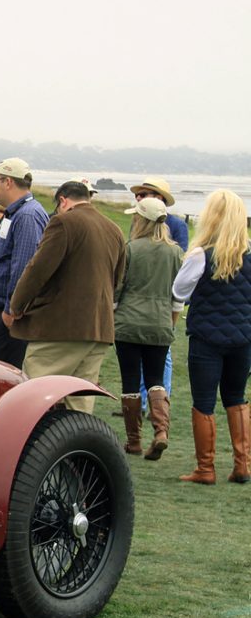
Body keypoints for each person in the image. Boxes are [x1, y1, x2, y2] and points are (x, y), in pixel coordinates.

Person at [7, 180, 126, 414]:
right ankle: (77, 450)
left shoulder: (63, 222)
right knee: (80, 404)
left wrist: (16, 305)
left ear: (63, 200)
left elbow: (37, 271)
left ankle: (31, 448)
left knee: (33, 394)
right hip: (99, 328)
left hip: (60, 328)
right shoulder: (114, 229)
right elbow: (117, 280)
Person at [171, 189, 251, 485]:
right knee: (236, 398)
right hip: (243, 337)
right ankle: (242, 465)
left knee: (204, 400)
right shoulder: (250, 252)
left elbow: (178, 292)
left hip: (207, 336)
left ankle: (206, 468)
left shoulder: (200, 255)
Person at [114, 196, 181, 459]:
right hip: (160, 322)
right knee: (155, 380)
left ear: (140, 219)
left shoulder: (130, 248)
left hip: (129, 323)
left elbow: (117, 290)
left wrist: (112, 315)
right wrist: (170, 322)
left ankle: (134, 441)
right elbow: (178, 296)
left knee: (130, 381)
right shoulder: (175, 252)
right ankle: (161, 431)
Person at [0, 158, 48, 368]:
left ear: (8, 182)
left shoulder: (27, 215)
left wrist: (11, 309)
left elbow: (24, 267)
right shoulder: (17, 213)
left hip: (5, 316)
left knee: (3, 375)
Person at [130, 177, 187, 250]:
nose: (138, 198)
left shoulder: (177, 225)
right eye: (136, 195)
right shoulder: (137, 221)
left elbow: (181, 256)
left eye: (143, 194)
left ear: (158, 198)